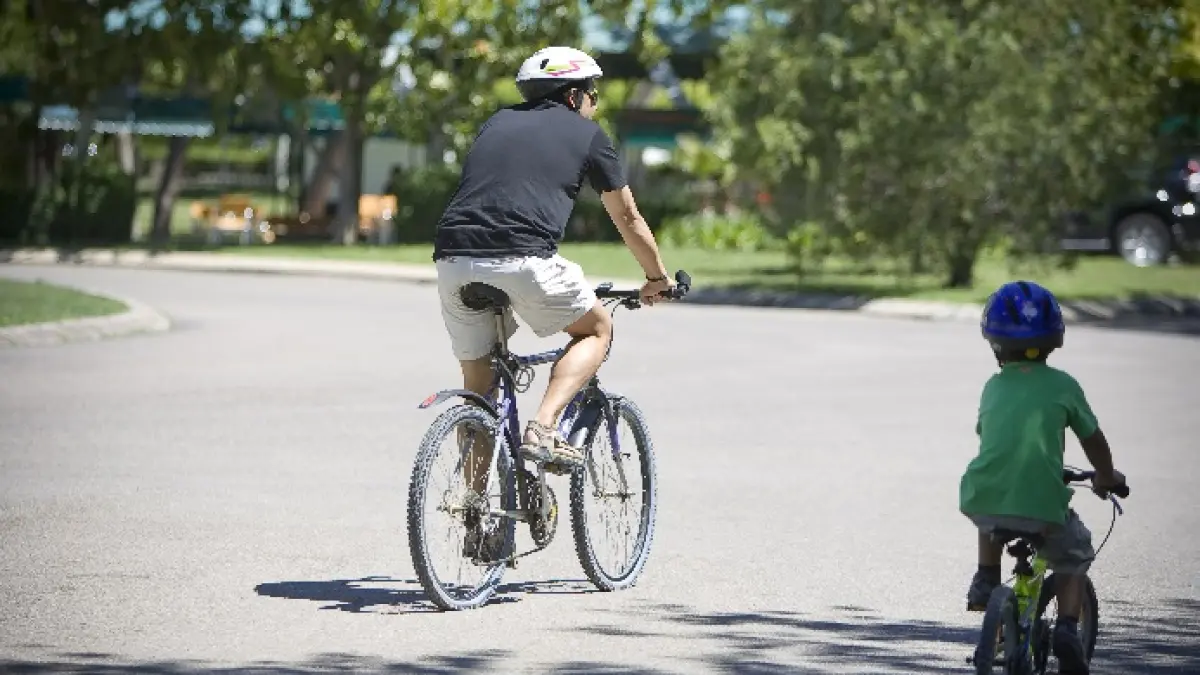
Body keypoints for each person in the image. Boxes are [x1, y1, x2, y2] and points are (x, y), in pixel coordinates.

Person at [433, 46, 674, 476]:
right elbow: (627, 217)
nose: (594, 103)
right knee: (596, 328)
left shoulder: (497, 122)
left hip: (453, 257)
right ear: (572, 95)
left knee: (479, 392)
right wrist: (656, 277)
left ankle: (471, 507)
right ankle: (543, 428)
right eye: (592, 94)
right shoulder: (588, 135)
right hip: (523, 258)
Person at [959, 280, 1126, 675]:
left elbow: (994, 439)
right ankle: (1067, 627)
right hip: (1041, 505)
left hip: (982, 494)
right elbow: (1093, 439)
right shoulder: (1064, 386)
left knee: (992, 508)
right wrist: (1105, 476)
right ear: (1053, 340)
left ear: (994, 342)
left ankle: (986, 578)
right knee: (1074, 553)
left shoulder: (993, 386)